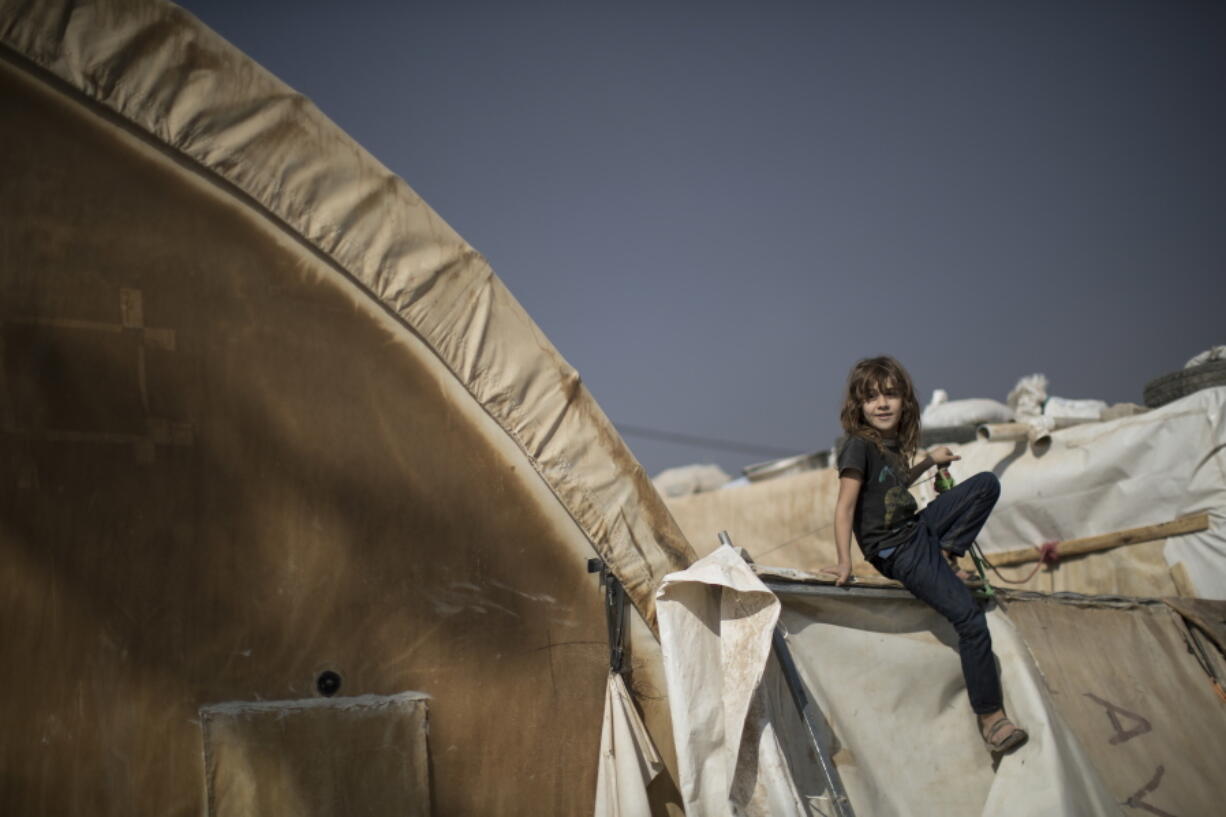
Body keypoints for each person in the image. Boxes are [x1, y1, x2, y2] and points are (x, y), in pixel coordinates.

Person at [822, 356, 1028, 754]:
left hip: (918, 530)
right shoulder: (857, 446)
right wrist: (845, 561)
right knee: (968, 617)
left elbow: (895, 484)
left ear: (905, 401)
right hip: (896, 548)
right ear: (858, 406)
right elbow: (845, 506)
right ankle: (991, 718)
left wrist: (929, 463)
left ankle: (948, 555)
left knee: (985, 484)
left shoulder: (892, 444)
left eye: (891, 395)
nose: (882, 404)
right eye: (872, 397)